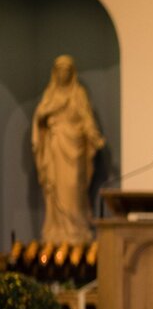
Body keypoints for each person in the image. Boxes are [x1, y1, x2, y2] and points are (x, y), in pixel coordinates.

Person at [31, 55, 105, 245]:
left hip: (75, 147)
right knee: (55, 188)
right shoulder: (51, 94)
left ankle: (76, 229)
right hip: (56, 147)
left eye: (67, 70)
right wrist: (51, 110)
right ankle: (58, 230)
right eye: (60, 70)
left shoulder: (78, 93)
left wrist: (94, 138)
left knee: (73, 187)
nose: (63, 74)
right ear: (55, 73)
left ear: (72, 73)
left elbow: (87, 119)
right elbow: (40, 116)